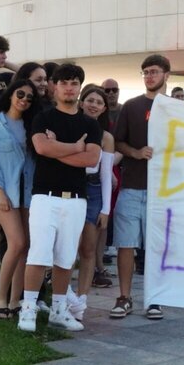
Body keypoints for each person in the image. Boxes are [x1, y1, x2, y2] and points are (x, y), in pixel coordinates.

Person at [17, 63, 101, 333]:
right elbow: (41, 147)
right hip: (45, 196)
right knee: (39, 254)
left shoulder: (90, 123)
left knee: (66, 258)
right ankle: (27, 308)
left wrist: (58, 149)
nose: (69, 87)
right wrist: (75, 147)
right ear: (54, 86)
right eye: (64, 82)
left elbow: (92, 158)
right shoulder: (43, 118)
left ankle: (59, 309)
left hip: (76, 199)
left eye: (74, 83)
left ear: (79, 87)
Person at [112, 54, 171, 320]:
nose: (149, 76)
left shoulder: (176, 108)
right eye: (145, 72)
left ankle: (155, 298)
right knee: (126, 245)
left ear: (166, 75)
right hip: (133, 186)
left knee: (157, 247)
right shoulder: (131, 106)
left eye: (154, 71)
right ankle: (124, 297)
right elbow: (118, 142)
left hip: (163, 191)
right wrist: (135, 153)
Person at [0, 78, 37, 318]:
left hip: (29, 192)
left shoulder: (31, 125)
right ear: (11, 94)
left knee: (25, 246)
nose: (24, 99)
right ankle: (0, 298)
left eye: (29, 97)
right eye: (21, 94)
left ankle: (16, 300)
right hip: (5, 193)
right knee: (15, 243)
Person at [72, 85, 117, 320]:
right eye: (90, 100)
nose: (94, 105)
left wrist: (106, 209)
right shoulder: (71, 127)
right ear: (81, 102)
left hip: (94, 190)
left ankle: (81, 300)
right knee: (69, 248)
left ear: (103, 108)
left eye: (99, 102)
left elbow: (106, 174)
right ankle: (64, 297)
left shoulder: (106, 137)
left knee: (88, 248)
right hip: (71, 186)